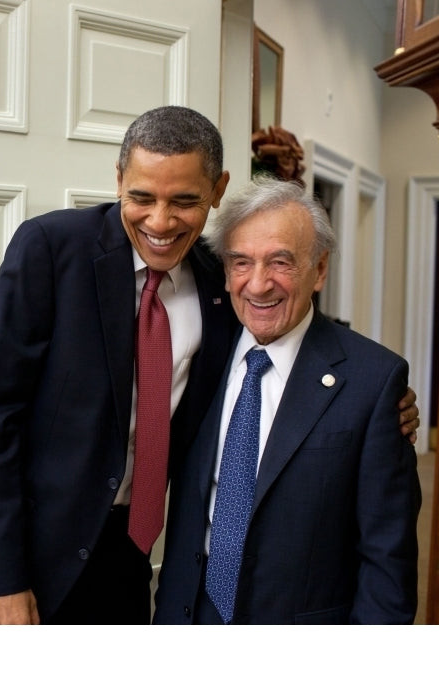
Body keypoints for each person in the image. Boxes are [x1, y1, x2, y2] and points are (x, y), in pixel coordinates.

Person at [0, 106, 420, 625]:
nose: (160, 221)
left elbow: (282, 318)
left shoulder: (219, 281)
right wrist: (4, 582)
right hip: (21, 561)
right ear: (119, 178)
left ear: (218, 189)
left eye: (185, 201)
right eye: (142, 197)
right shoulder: (51, 252)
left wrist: (371, 392)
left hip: (127, 566)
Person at [152, 177, 421, 624]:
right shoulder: (197, 354)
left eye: (280, 262)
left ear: (319, 269)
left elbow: (386, 561)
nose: (258, 285)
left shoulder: (374, 382)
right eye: (241, 262)